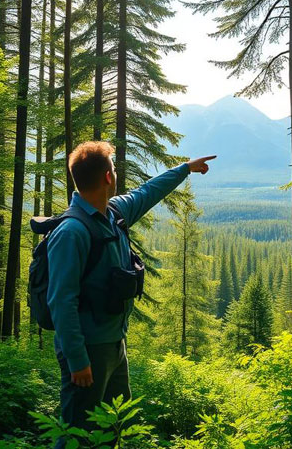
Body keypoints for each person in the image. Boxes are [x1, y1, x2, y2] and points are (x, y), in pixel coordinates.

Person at [46, 140, 215, 446]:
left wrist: (184, 170)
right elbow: (61, 301)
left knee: (113, 426)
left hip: (114, 343)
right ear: (108, 177)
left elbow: (146, 193)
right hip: (88, 349)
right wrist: (77, 359)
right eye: (113, 169)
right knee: (77, 434)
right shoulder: (71, 232)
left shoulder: (113, 213)